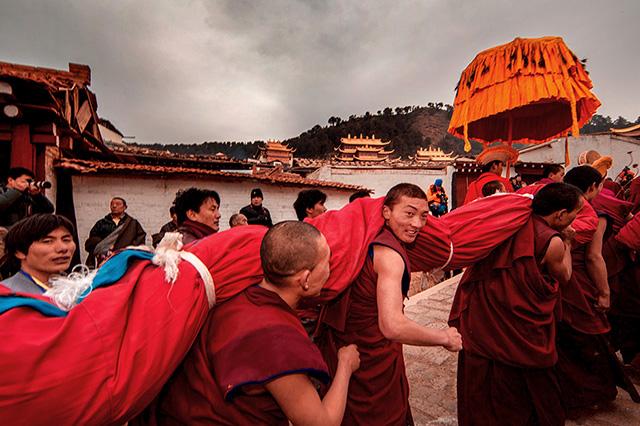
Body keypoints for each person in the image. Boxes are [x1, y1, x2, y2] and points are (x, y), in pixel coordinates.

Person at [135, 221, 361, 425]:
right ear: (304, 279)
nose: (331, 268)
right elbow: (320, 423)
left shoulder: (232, 296)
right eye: (327, 262)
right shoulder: (277, 339)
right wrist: (345, 365)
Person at [318, 183, 462, 425]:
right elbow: (392, 326)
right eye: (409, 213)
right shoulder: (390, 255)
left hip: (345, 344)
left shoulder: (364, 238)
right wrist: (444, 337)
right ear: (386, 212)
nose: (417, 223)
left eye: (424, 216)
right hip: (369, 355)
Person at [449, 183, 582, 425]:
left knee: (486, 383)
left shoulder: (508, 224)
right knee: (528, 387)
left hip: (485, 316)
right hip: (522, 327)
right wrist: (569, 243)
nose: (576, 218)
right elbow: (565, 276)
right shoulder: (552, 241)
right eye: (576, 213)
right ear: (560, 214)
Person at [557, 165, 633, 416]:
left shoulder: (556, 206)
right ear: (592, 188)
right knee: (588, 334)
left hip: (556, 276)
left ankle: (561, 392)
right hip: (577, 282)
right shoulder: (595, 213)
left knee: (562, 337)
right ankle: (586, 394)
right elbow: (593, 257)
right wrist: (604, 292)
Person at [1, 214, 76, 295]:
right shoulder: (6, 296)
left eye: (66, 240)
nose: (63, 248)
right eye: (47, 241)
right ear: (19, 252)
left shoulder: (79, 292)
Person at [84, 197, 146, 267]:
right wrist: (104, 247)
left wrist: (127, 250)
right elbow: (92, 239)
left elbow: (140, 238)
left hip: (125, 258)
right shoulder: (101, 223)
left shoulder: (132, 223)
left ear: (125, 207)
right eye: (112, 204)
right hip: (105, 259)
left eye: (118, 204)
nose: (114, 206)